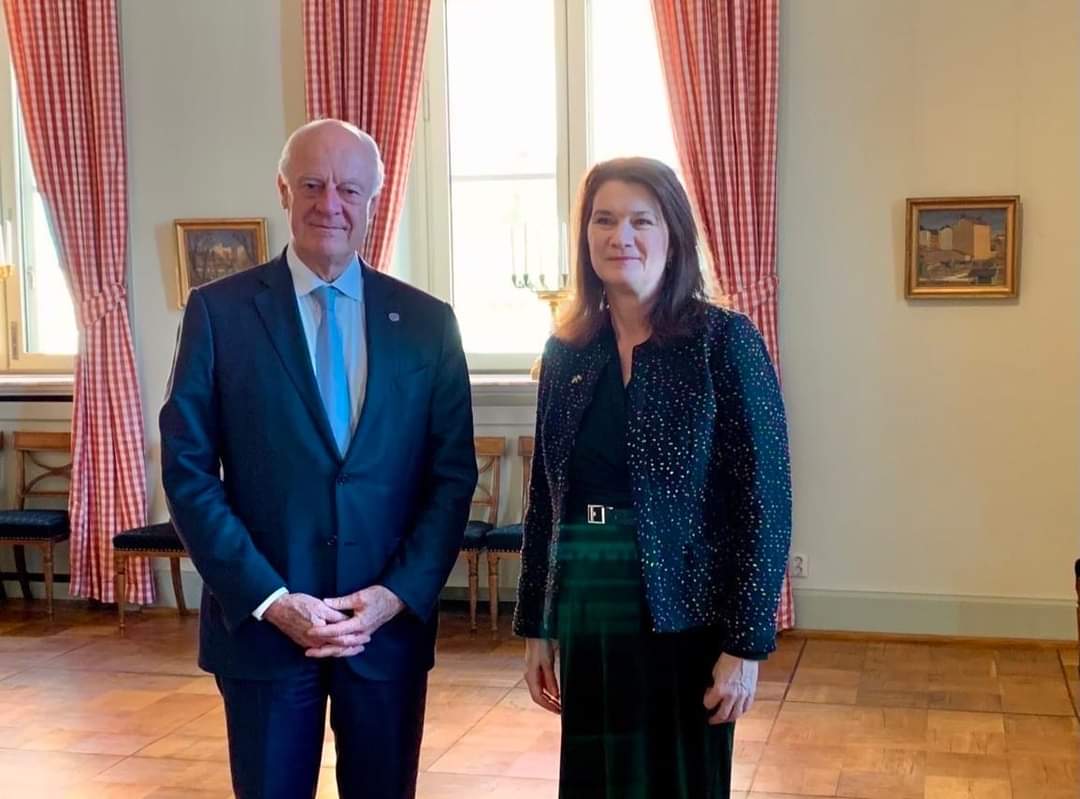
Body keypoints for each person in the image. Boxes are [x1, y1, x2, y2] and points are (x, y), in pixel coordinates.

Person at [160, 119, 477, 799]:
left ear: (372, 201)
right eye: (311, 184)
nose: (329, 203)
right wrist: (271, 599)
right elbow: (188, 471)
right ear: (283, 190)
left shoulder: (429, 324)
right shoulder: (219, 313)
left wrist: (394, 595)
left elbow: (452, 478)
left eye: (348, 189)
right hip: (264, 631)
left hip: (384, 632)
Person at [514, 157, 791, 798]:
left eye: (642, 220)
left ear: (674, 235)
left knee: (677, 782)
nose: (622, 237)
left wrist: (746, 645)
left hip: (686, 616)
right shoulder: (565, 353)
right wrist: (538, 626)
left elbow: (765, 500)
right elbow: (547, 501)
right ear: (586, 237)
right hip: (590, 607)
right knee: (597, 783)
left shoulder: (724, 341)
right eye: (604, 220)